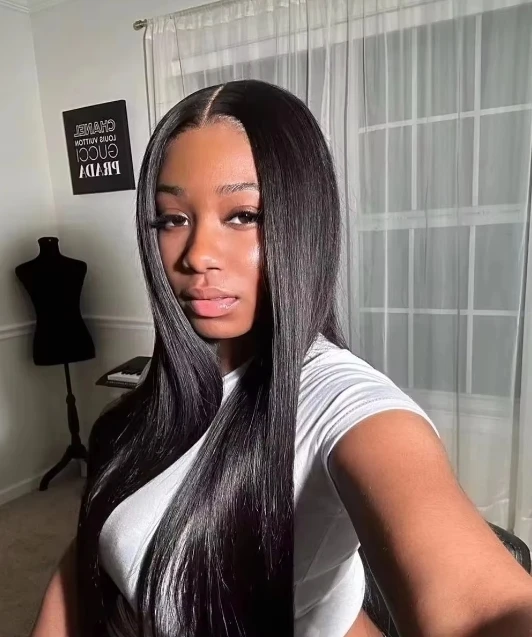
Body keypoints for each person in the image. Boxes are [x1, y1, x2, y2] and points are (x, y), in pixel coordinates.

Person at [31, 80, 532, 637]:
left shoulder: (344, 405)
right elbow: (94, 546)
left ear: (302, 222)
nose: (197, 255)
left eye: (243, 215)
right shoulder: (176, 375)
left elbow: (480, 604)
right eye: (173, 219)